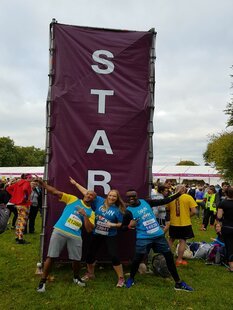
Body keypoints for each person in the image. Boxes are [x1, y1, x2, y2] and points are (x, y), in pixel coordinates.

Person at [122, 187, 193, 292]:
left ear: (137, 196)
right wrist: (129, 226)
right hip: (143, 238)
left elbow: (164, 201)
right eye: (129, 197)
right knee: (137, 259)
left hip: (158, 236)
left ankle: (178, 283)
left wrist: (178, 194)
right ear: (126, 198)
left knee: (169, 258)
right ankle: (131, 279)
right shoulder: (128, 212)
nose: (131, 198)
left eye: (133, 196)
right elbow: (123, 228)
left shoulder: (145, 202)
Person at [36, 178, 96, 293]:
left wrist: (85, 216)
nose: (89, 195)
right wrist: (43, 184)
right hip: (60, 231)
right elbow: (55, 192)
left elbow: (89, 230)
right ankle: (42, 281)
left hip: (76, 235)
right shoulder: (73, 199)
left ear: (93, 199)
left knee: (77, 259)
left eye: (91, 195)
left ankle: (76, 277)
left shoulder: (91, 213)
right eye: (88, 193)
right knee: (51, 256)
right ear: (84, 194)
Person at [70, 177, 126, 287]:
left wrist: (112, 224)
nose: (111, 197)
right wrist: (76, 183)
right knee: (90, 255)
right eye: (110, 195)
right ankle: (90, 274)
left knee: (114, 256)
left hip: (110, 235)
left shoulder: (118, 209)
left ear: (117, 198)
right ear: (107, 196)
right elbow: (87, 193)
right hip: (97, 233)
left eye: (114, 196)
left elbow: (121, 224)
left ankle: (121, 278)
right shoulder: (100, 201)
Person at [166, 185, 197, 266]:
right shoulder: (188, 197)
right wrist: (187, 215)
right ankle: (179, 260)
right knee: (182, 241)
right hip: (185, 223)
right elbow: (194, 211)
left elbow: (167, 209)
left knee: (171, 240)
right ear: (184, 190)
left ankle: (167, 258)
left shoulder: (171, 197)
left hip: (173, 223)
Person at [6, 174, 32, 244]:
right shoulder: (26, 183)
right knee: (23, 221)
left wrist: (16, 196)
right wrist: (25, 198)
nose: (31, 179)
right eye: (30, 177)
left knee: (19, 220)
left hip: (18, 204)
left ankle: (17, 237)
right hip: (24, 204)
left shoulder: (18, 183)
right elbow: (25, 189)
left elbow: (8, 188)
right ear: (26, 178)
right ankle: (20, 239)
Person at [216, 186, 233, 271]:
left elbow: (219, 216)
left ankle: (231, 267)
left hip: (227, 227)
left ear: (226, 193)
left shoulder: (223, 203)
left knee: (229, 247)